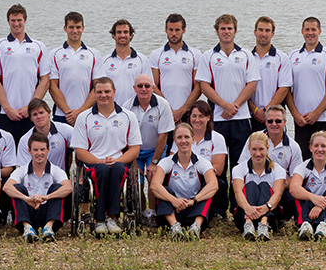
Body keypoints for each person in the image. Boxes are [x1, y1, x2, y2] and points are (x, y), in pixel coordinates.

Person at [196, 14, 260, 212]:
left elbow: (252, 84)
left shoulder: (246, 55)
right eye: (222, 28)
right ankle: (219, 208)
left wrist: (236, 105)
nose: (226, 32)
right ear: (217, 31)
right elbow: (204, 85)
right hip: (218, 118)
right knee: (218, 166)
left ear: (235, 31)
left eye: (230, 28)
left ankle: (238, 206)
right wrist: (224, 105)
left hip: (241, 118)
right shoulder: (208, 56)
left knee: (239, 165)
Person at [71, 77, 142, 235]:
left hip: (119, 162)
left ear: (114, 92)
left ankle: (112, 218)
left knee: (116, 168)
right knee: (102, 170)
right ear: (94, 94)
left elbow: (134, 149)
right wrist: (100, 161)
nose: (103, 95)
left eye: (107, 91)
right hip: (94, 163)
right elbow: (81, 151)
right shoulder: (84, 117)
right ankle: (99, 220)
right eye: (99, 92)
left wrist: (116, 160)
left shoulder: (128, 116)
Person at [0, 4, 50, 142]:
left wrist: (30, 107)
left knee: (32, 154)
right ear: (8, 21)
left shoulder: (38, 46)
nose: (16, 24)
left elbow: (45, 80)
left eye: (19, 20)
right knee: (8, 156)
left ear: (25, 20)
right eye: (13, 20)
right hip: (6, 113)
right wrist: (7, 108)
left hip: (31, 114)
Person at [149, 123, 218, 240]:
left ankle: (196, 227)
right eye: (179, 137)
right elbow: (154, 185)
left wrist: (193, 201)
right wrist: (174, 200)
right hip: (173, 209)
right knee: (163, 190)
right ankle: (175, 227)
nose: (183, 141)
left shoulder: (202, 162)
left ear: (193, 139)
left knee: (207, 190)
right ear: (175, 141)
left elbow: (214, 185)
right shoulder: (166, 162)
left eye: (187, 137)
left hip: (194, 208)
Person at [286, 17, 326, 160]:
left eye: (313, 29)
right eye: (307, 29)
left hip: (324, 118)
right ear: (302, 31)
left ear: (319, 31)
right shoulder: (292, 56)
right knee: (303, 161)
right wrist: (295, 114)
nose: (310, 33)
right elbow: (286, 89)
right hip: (301, 120)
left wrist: (317, 112)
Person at [236, 105, 303, 221]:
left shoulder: (293, 147)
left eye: (278, 121)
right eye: (270, 121)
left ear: (285, 122)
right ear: (265, 122)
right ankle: (250, 218)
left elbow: (296, 176)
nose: (274, 124)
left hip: (280, 187)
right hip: (254, 186)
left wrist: (276, 185)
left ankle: (275, 218)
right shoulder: (254, 139)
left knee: (292, 198)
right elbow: (242, 167)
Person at [4, 132, 72, 242]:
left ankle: (48, 229)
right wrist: (26, 199)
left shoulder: (56, 170)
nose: (39, 153)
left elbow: (68, 188)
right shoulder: (22, 169)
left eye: (42, 149)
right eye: (35, 150)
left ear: (48, 150)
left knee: (58, 187)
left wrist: (47, 197)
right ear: (29, 151)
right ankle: (27, 228)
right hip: (28, 213)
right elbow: (7, 187)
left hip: (49, 214)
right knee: (16, 187)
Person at [124, 74, 174, 223]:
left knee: (154, 180)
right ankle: (143, 212)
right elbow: (124, 138)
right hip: (135, 150)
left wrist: (154, 162)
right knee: (136, 181)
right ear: (134, 88)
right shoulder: (127, 107)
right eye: (140, 86)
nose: (143, 89)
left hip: (155, 148)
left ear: (153, 87)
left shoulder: (163, 104)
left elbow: (163, 136)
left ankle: (152, 213)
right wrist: (132, 162)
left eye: (147, 86)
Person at [289, 131, 326, 240]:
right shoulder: (302, 167)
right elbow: (293, 188)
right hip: (311, 212)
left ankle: (323, 225)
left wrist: (320, 205)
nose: (319, 149)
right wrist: (313, 198)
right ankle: (305, 225)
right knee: (303, 191)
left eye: (323, 146)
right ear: (311, 148)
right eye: (316, 146)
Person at [49, 11, 103, 125]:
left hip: (87, 114)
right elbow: (52, 86)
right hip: (62, 115)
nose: (75, 31)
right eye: (71, 27)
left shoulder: (94, 54)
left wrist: (80, 112)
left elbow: (98, 87)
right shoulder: (54, 54)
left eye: (78, 27)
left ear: (83, 28)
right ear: (65, 28)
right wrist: (69, 113)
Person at [149, 13, 201, 131]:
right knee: (165, 148)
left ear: (184, 30)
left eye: (177, 30)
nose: (173, 33)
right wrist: (169, 110)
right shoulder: (156, 54)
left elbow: (198, 86)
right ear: (165, 30)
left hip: (188, 112)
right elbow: (153, 85)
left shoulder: (195, 54)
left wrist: (182, 111)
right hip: (163, 111)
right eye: (170, 30)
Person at [232, 132, 286, 241]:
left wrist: (266, 208)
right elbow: (238, 192)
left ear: (267, 148)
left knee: (264, 185)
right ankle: (248, 224)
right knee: (250, 185)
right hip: (245, 214)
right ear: (249, 149)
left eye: (261, 149)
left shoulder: (278, 169)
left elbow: (278, 194)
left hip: (270, 214)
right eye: (254, 149)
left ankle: (263, 224)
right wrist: (248, 209)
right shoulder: (239, 169)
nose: (258, 154)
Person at [247, 16, 292, 132]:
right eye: (260, 30)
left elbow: (284, 89)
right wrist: (255, 110)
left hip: (274, 117)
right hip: (250, 115)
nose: (263, 34)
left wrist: (266, 111)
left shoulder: (282, 58)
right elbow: (243, 87)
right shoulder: (246, 57)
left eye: (267, 30)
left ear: (272, 34)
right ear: (255, 32)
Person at [186, 101, 228, 219]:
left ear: (209, 117)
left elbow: (218, 169)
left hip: (207, 178)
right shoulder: (183, 137)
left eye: (201, 116)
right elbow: (173, 160)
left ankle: (205, 213)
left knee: (209, 182)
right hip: (186, 176)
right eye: (194, 116)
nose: (197, 120)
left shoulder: (217, 138)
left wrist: (196, 171)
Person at [17, 99, 74, 173]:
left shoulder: (65, 130)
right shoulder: (25, 140)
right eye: (35, 114)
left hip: (60, 180)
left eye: (41, 112)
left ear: (49, 113)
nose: (39, 116)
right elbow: (23, 169)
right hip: (35, 181)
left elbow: (82, 147)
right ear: (31, 118)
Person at [102, 19, 149, 105]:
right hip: (112, 110)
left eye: (125, 32)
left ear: (131, 35)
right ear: (113, 35)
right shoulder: (104, 61)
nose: (122, 35)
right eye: (119, 32)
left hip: (135, 109)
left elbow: (148, 89)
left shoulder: (142, 60)